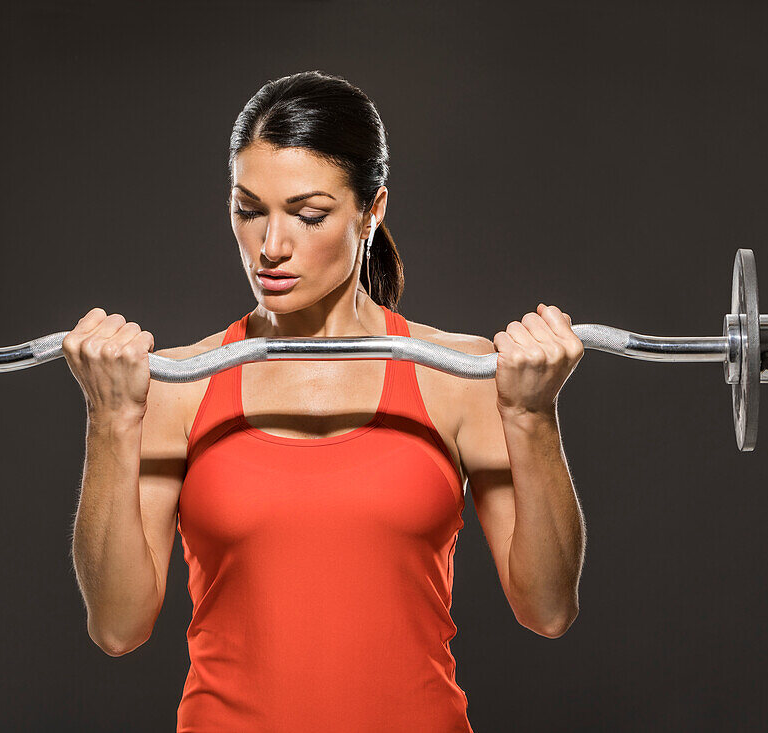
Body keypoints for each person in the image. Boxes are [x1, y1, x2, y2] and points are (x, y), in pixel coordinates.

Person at [63, 70, 587, 733]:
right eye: (249, 209)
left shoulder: (459, 373)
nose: (270, 247)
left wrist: (532, 417)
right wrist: (109, 420)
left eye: (308, 214)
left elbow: (548, 607)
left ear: (373, 210)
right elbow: (116, 626)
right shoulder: (177, 383)